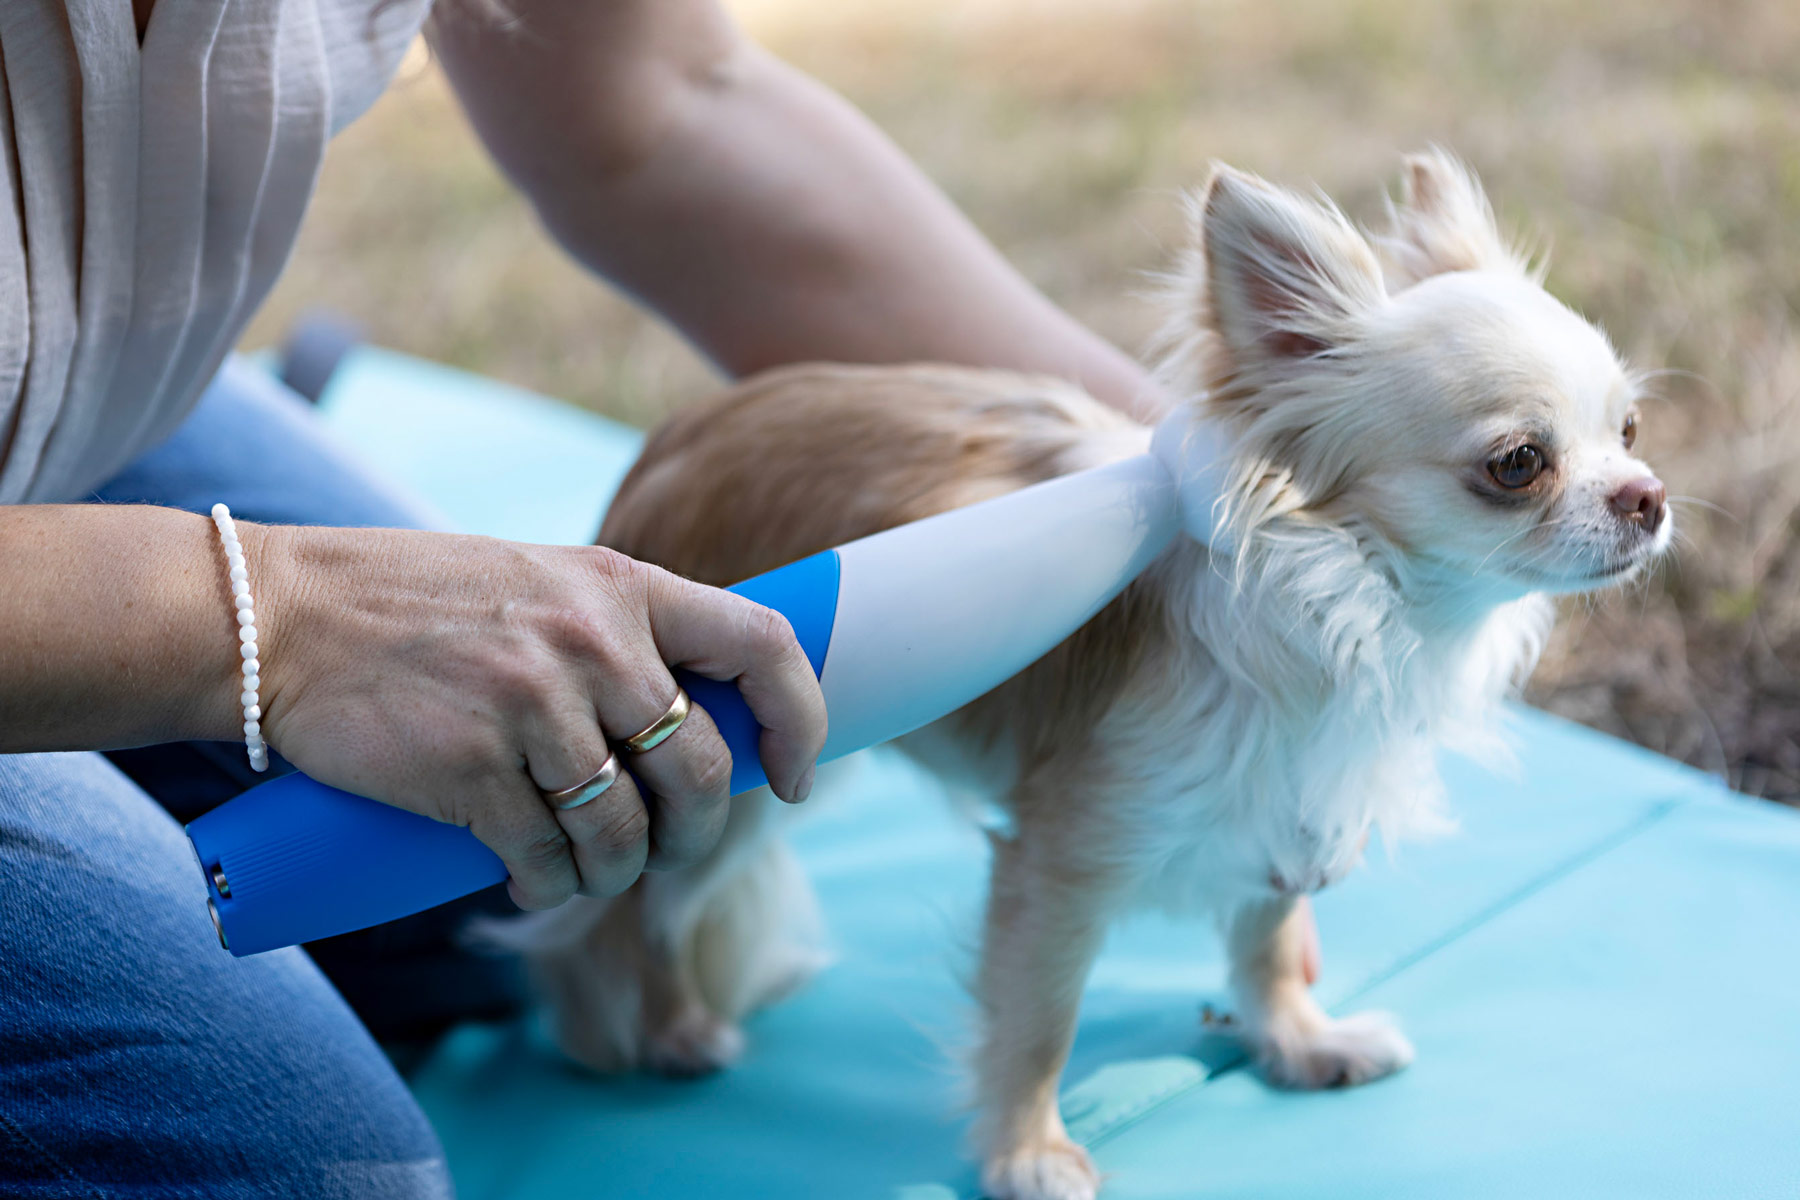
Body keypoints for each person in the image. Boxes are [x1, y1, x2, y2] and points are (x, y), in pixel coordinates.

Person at [0, 0, 1200, 1195]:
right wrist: (278, 614)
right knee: (284, 1172)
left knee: (487, 887)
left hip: (91, 392)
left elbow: (663, 105)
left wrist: (1175, 482)